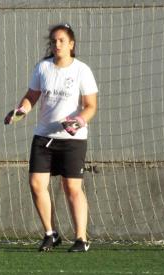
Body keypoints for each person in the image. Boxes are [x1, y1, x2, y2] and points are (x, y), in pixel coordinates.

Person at [5, 23, 98, 252]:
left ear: (71, 44)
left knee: (71, 187)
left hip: (72, 140)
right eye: (54, 41)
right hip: (43, 137)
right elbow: (31, 96)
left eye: (62, 41)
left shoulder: (81, 70)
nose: (57, 45)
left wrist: (78, 121)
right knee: (36, 184)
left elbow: (90, 106)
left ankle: (81, 238)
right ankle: (50, 233)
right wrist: (21, 111)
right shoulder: (43, 68)